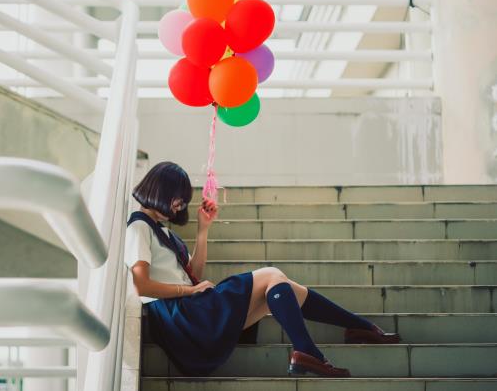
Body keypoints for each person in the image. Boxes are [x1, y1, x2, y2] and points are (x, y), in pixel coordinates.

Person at [124, 161, 401, 378]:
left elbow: (193, 273)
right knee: (271, 275)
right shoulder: (139, 226)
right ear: (160, 189)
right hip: (182, 319)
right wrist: (190, 290)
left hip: (192, 312)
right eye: (178, 198)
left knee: (281, 288)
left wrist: (203, 231)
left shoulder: (164, 232)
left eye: (183, 201)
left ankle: (357, 327)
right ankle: (309, 350)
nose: (179, 205)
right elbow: (141, 286)